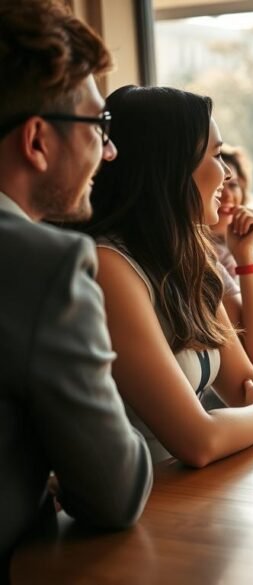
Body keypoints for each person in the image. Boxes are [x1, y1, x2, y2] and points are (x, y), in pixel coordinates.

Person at [0, 0, 151, 574]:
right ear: (37, 141)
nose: (109, 151)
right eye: (100, 126)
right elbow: (115, 494)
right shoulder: (48, 268)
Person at [76, 85, 253, 467]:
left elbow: (248, 389)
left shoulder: (191, 258)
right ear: (168, 165)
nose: (226, 175)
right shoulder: (108, 266)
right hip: (143, 505)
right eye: (216, 156)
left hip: (184, 496)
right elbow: (198, 441)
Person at [208, 144, 253, 372]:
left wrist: (248, 258)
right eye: (221, 184)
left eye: (234, 185)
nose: (227, 192)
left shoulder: (242, 231)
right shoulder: (201, 250)